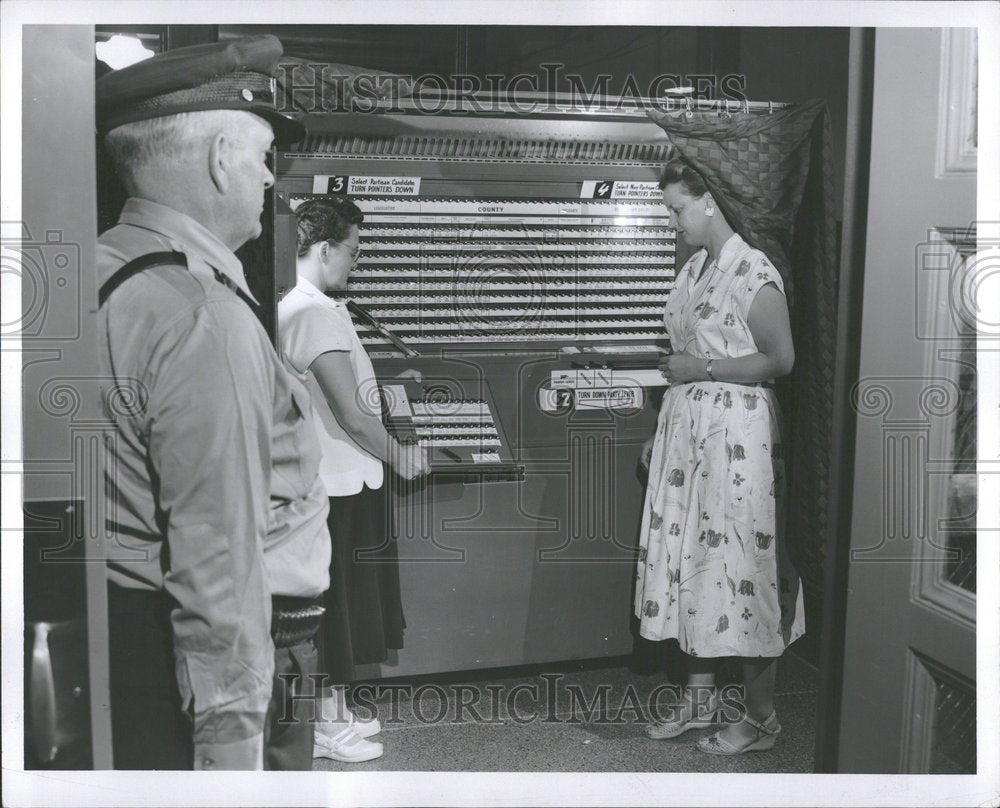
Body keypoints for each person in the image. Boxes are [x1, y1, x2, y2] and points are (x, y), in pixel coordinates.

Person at [97, 35, 331, 770]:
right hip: (218, 666)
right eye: (264, 156)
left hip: (119, 638)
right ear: (217, 157)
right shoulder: (202, 313)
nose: (269, 178)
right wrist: (232, 752)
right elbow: (219, 560)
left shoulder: (97, 272)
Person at [636, 159, 805, 755]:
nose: (671, 219)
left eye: (677, 207)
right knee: (693, 564)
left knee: (740, 569)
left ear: (710, 202)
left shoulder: (753, 271)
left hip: (738, 441)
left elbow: (780, 359)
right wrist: (667, 430)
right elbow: (683, 355)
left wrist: (702, 369)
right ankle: (699, 701)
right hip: (690, 436)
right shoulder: (693, 270)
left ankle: (762, 722)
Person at [278, 196, 431, 763]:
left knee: (341, 604)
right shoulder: (309, 310)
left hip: (346, 479)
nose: (356, 262)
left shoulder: (317, 306)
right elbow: (350, 412)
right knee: (332, 607)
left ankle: (335, 712)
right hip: (335, 483)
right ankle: (321, 723)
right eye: (352, 251)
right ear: (322, 249)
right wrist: (401, 456)